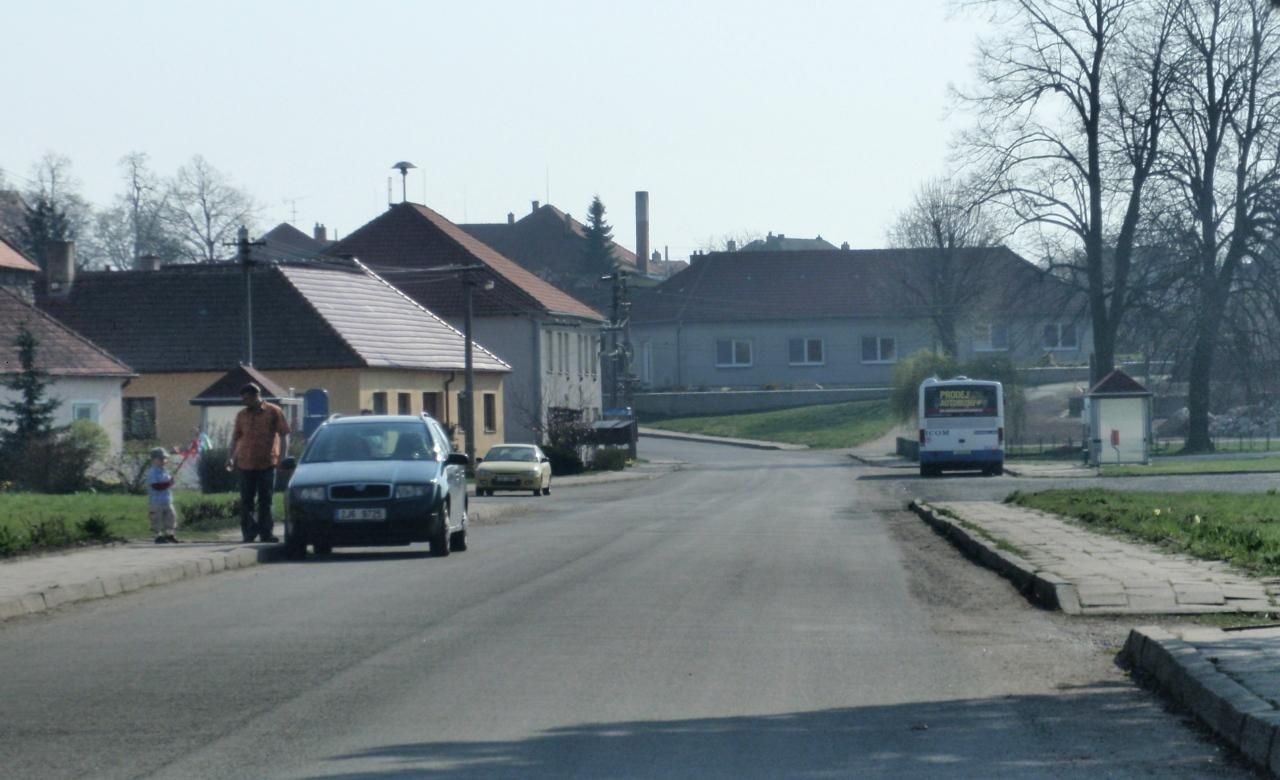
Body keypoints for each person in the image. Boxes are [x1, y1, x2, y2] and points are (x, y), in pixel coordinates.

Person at [227, 383, 290, 543]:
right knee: (246, 500)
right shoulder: (242, 415)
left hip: (267, 463)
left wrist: (283, 457)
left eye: (247, 398)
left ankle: (266, 533)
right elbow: (235, 438)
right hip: (245, 463)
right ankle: (248, 533)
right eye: (243, 399)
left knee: (265, 500)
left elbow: (283, 435)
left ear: (257, 396)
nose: (245, 402)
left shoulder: (273, 411)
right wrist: (231, 457)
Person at [146, 447, 179, 544]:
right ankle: (158, 535)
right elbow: (156, 486)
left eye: (165, 459)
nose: (163, 461)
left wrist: (171, 481)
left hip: (167, 500)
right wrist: (168, 484)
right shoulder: (153, 472)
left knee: (171, 517)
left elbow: (167, 483)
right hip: (156, 501)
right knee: (157, 519)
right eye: (161, 459)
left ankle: (169, 534)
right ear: (154, 460)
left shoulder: (165, 471)